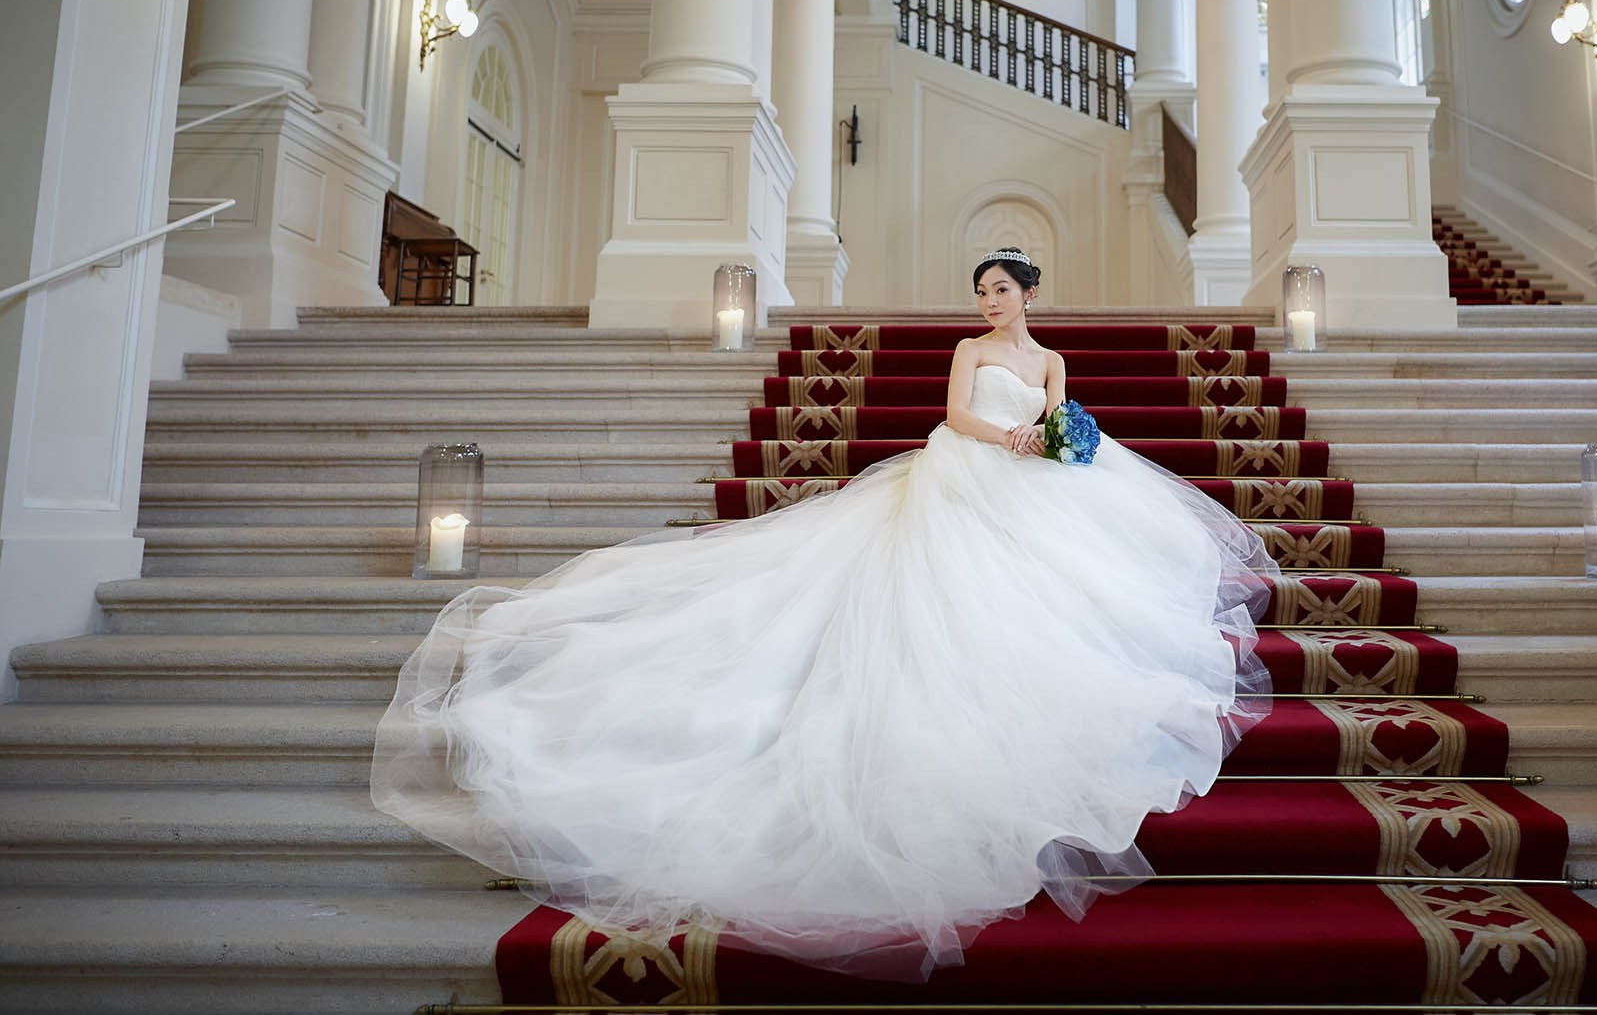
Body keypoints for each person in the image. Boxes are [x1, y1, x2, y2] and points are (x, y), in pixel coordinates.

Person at [371, 248, 1276, 981]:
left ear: (1031, 293)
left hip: (1035, 483)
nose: (988, 304)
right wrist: (1005, 435)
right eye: (981, 293)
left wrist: (1048, 437)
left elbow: (1062, 418)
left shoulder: (1050, 358)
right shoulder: (971, 352)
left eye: (1001, 291)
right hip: (965, 473)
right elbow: (956, 415)